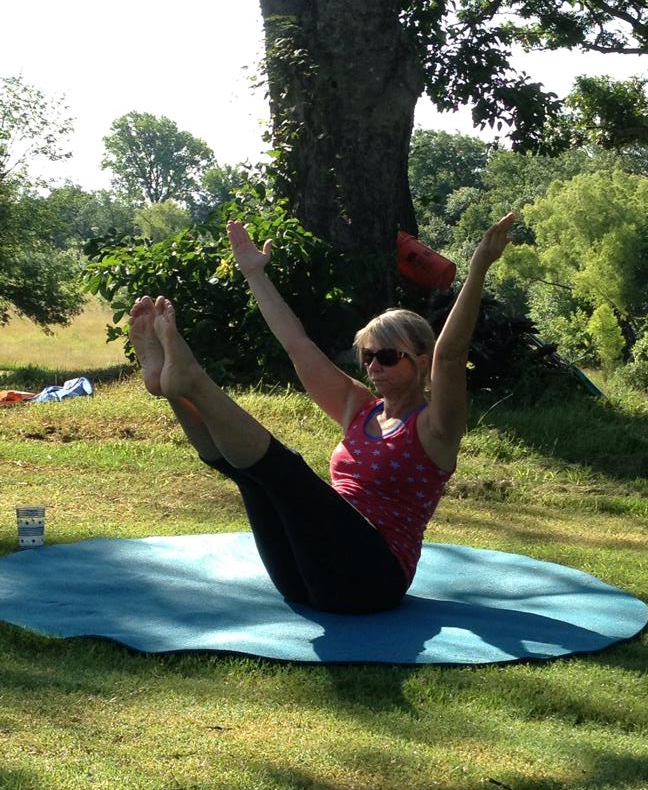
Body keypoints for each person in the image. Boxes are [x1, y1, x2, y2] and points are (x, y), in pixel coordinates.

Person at [129, 213, 514, 615]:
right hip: (305, 576)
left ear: (420, 363)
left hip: (371, 581)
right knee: (251, 478)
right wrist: (255, 274)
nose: (373, 366)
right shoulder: (358, 408)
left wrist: (478, 269)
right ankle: (173, 391)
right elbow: (296, 343)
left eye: (387, 356)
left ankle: (190, 379)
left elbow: (449, 356)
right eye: (368, 356)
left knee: (287, 471)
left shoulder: (435, 427)